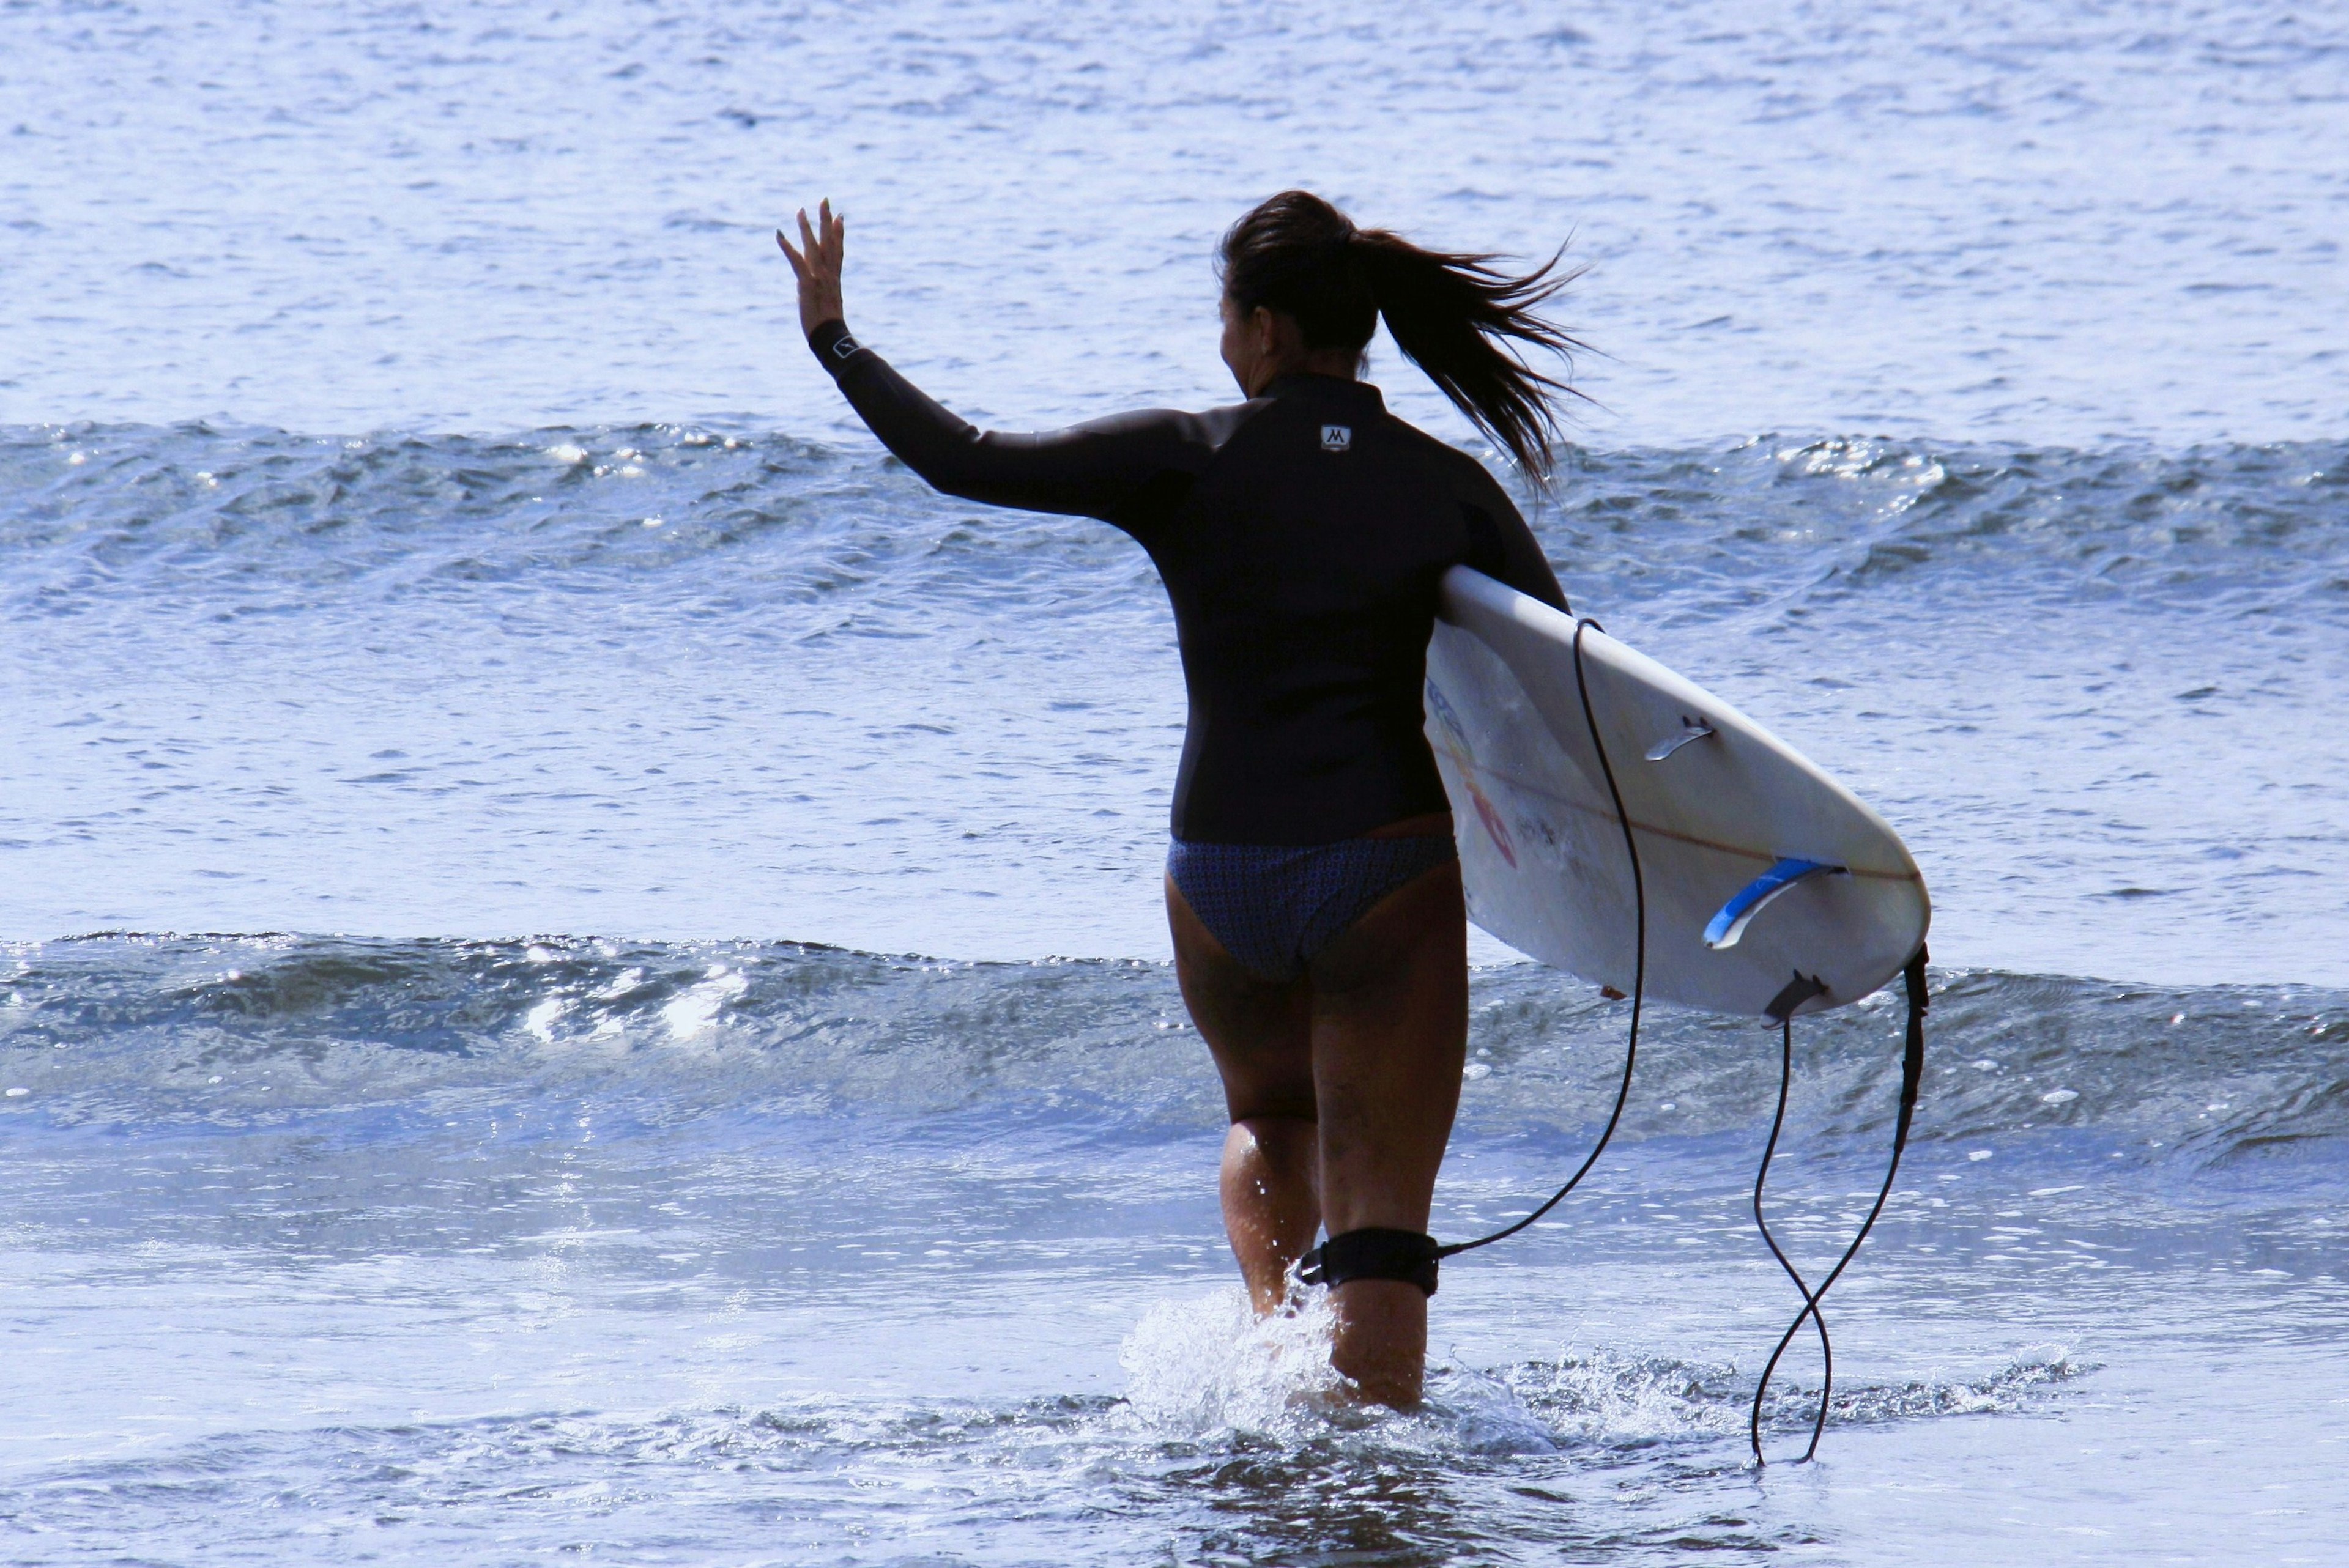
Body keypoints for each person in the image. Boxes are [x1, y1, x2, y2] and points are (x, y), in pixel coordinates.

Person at [779, 190, 1580, 1405]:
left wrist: (835, 340)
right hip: (1383, 871)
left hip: (1218, 876)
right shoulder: (1443, 485)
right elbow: (1561, 695)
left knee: (1269, 1119)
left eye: (1223, 318)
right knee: (1380, 1210)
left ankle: (1280, 1375)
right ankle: (1367, 1457)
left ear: (1261, 329)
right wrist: (1622, 902)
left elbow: (966, 460)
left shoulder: (1185, 456)